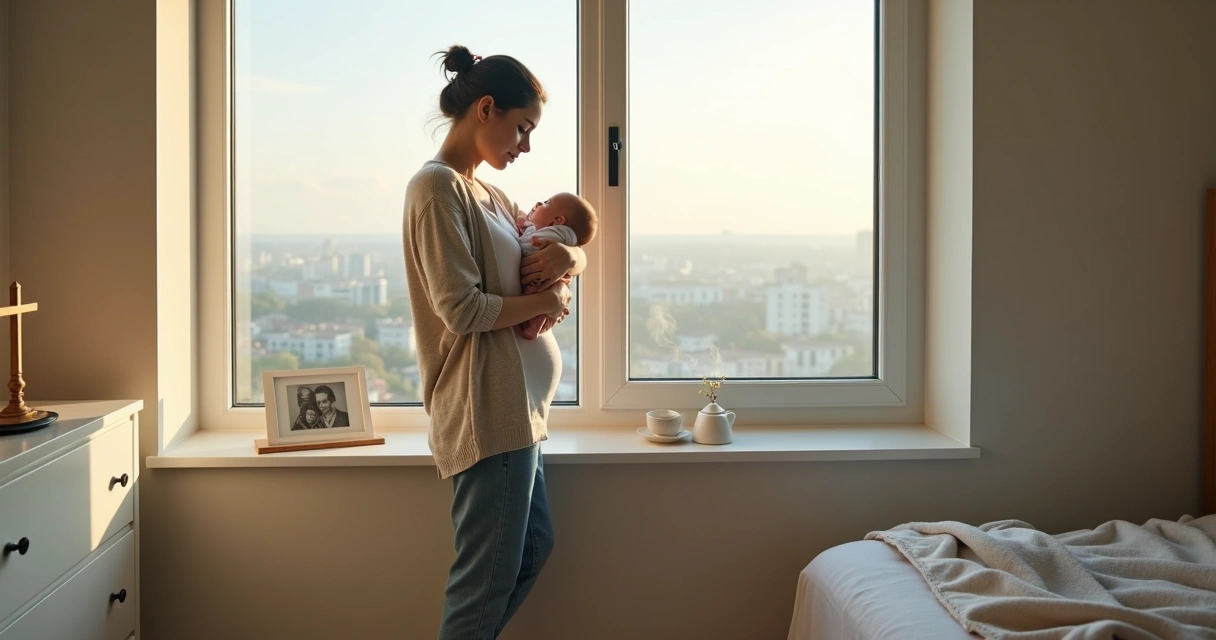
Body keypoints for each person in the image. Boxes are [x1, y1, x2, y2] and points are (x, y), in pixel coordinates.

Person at [402, 44, 586, 639]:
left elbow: (552, 253)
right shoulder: (436, 189)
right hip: (488, 410)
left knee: (531, 552)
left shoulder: (492, 196)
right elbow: (461, 309)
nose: (525, 146)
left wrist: (573, 258)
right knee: (482, 583)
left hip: (520, 413)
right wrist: (549, 301)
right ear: (486, 108)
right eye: (522, 128)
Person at [515, 192, 598, 339]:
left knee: (538, 297)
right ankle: (534, 326)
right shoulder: (548, 232)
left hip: (540, 282)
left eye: (547, 202)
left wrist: (571, 256)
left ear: (557, 221)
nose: (539, 203)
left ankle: (534, 327)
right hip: (542, 292)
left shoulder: (559, 233)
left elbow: (530, 242)